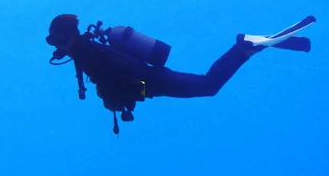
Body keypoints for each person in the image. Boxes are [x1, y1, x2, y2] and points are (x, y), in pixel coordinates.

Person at [45, 13, 315, 134]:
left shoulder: (86, 53)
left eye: (55, 40)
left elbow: (111, 79)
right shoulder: (86, 50)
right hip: (149, 81)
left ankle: (243, 45)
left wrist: (112, 98)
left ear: (67, 37)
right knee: (207, 85)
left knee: (208, 86)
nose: (56, 47)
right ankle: (246, 48)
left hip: (150, 81)